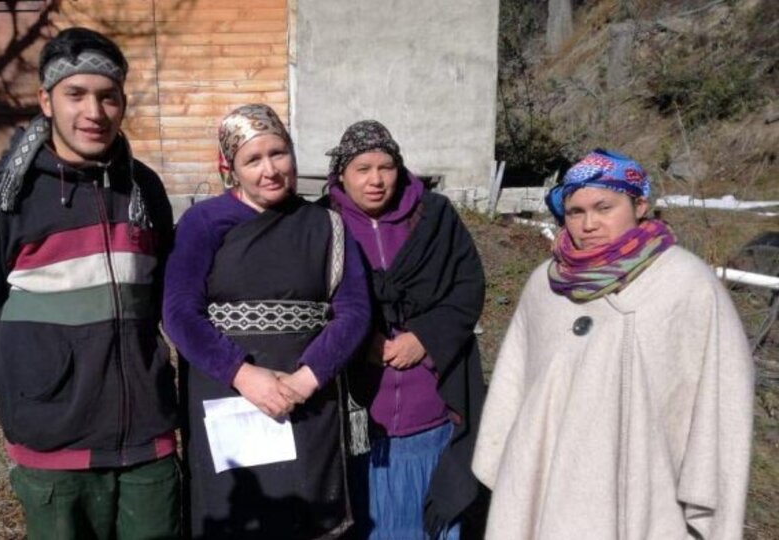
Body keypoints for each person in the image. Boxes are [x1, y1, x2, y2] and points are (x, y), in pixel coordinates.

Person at [0, 27, 178, 539]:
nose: (93, 112)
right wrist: (34, 386)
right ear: (45, 101)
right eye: (76, 94)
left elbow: (163, 295)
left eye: (107, 96)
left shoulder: (143, 189)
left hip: (147, 436)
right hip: (54, 442)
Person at [472, 149, 755, 539]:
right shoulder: (546, 285)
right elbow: (516, 392)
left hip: (646, 490)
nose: (589, 224)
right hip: (549, 490)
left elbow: (721, 403)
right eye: (575, 211)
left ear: (639, 204)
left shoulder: (686, 283)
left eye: (604, 207)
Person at [162, 104, 371, 539]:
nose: (270, 170)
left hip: (309, 399)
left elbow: (354, 310)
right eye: (253, 160)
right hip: (227, 396)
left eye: (279, 153)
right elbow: (179, 312)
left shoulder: (326, 225)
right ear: (231, 169)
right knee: (240, 516)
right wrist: (243, 374)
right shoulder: (203, 222)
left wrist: (307, 379)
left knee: (306, 515)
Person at [323, 120, 487, 540]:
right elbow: (306, 299)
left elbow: (467, 286)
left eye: (386, 166)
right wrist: (357, 340)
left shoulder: (435, 217)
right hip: (359, 420)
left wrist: (425, 339)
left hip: (430, 412)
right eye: (362, 168)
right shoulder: (321, 223)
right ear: (341, 173)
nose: (376, 180)